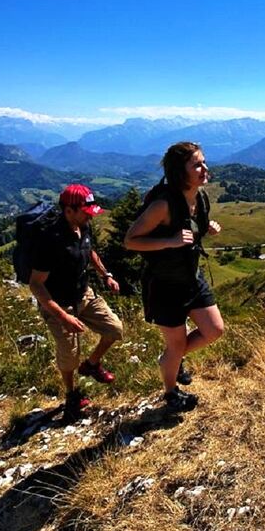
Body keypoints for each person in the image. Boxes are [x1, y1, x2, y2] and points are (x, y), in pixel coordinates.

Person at [124, 142, 224, 412]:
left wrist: (208, 227)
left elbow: (192, 231)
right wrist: (169, 241)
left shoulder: (199, 197)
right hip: (164, 283)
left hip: (191, 276)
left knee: (214, 330)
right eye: (197, 165)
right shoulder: (162, 204)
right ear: (181, 171)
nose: (205, 169)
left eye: (204, 162)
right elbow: (131, 240)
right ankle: (170, 393)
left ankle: (172, 357)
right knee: (176, 343)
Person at [29, 184, 123, 422]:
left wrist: (106, 275)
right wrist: (64, 317)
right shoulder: (51, 240)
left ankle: (91, 365)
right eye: (85, 211)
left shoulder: (83, 225)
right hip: (59, 305)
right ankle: (72, 395)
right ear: (69, 211)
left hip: (84, 294)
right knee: (69, 355)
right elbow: (36, 285)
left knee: (114, 329)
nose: (90, 216)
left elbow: (89, 251)